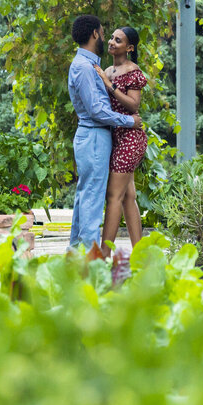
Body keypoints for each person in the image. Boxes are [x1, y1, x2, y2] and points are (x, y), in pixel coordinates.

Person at [67, 15, 141, 250]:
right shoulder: (88, 68)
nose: (108, 39)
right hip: (96, 136)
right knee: (93, 197)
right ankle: (90, 257)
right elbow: (98, 110)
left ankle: (78, 253)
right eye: (104, 32)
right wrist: (129, 122)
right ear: (95, 34)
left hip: (98, 136)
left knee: (93, 195)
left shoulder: (91, 66)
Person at [93, 26, 147, 255]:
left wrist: (109, 84)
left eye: (119, 40)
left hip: (131, 138)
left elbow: (134, 105)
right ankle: (141, 255)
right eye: (112, 38)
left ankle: (103, 255)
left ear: (130, 47)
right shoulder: (108, 69)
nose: (112, 42)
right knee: (128, 197)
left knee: (113, 195)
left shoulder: (132, 71)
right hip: (117, 136)